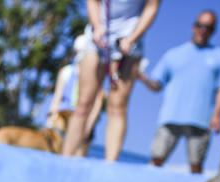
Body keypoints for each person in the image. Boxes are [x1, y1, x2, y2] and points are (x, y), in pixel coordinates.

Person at [62, 0, 161, 161]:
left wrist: (132, 38)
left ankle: (109, 166)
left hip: (130, 42)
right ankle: (65, 159)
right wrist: (97, 26)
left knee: (117, 108)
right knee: (83, 104)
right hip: (98, 38)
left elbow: (152, 7)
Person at [140, 10, 220, 173]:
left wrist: (217, 116)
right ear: (193, 27)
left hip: (201, 120)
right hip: (170, 118)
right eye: (200, 25)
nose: (203, 30)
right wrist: (142, 78)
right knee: (156, 161)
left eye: (208, 27)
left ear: (213, 30)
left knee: (196, 168)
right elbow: (157, 85)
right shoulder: (173, 54)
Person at [47, 34, 105, 157]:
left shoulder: (95, 76)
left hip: (84, 122)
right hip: (63, 120)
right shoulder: (66, 72)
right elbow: (57, 97)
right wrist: (51, 118)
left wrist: (89, 125)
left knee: (79, 156)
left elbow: (98, 102)